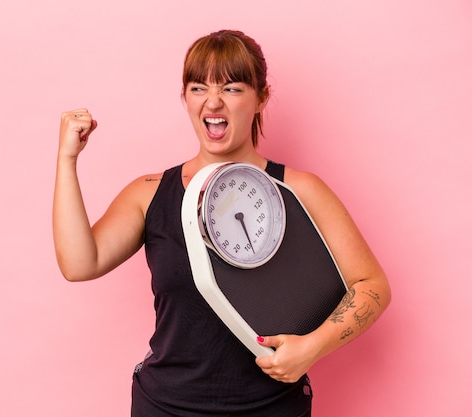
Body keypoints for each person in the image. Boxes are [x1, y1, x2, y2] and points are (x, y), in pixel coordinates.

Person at [53, 29, 391, 417]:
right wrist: (67, 160)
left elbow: (372, 286)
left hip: (272, 407)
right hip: (165, 406)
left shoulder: (300, 190)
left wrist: (313, 347)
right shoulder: (148, 194)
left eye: (231, 88)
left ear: (261, 97)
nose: (213, 101)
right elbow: (80, 264)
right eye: (198, 88)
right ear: (185, 99)